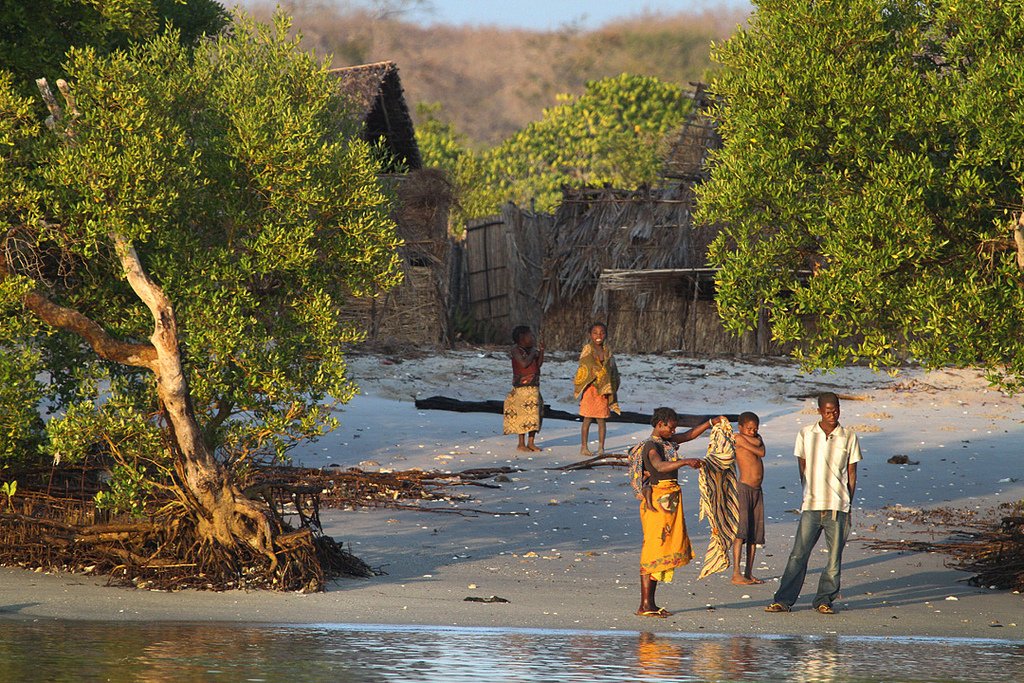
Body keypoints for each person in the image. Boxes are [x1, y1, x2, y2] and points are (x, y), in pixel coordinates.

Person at [766, 393, 862, 614]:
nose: (832, 415)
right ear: (819, 410)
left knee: (833, 558)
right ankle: (783, 600)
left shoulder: (849, 436)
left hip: (838, 507)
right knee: (798, 555)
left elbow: (852, 473)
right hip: (811, 505)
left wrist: (847, 503)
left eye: (835, 410)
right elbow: (803, 467)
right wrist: (809, 492)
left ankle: (824, 600)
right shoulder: (806, 434)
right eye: (827, 411)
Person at [636, 407, 723, 618]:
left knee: (662, 549)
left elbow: (689, 435)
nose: (673, 431)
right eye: (670, 427)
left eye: (675, 428)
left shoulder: (666, 442)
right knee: (653, 550)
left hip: (669, 501)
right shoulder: (651, 446)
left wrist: (711, 422)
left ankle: (650, 604)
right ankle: (645, 605)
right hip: (658, 502)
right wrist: (684, 462)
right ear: (659, 425)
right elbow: (659, 465)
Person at [573, 322, 620, 455]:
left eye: (602, 333)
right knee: (587, 419)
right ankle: (584, 447)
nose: (598, 335)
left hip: (603, 391)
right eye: (595, 333)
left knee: (601, 419)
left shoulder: (607, 351)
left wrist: (608, 383)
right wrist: (598, 374)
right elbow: (585, 366)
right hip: (591, 389)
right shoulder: (587, 349)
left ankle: (601, 447)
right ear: (590, 335)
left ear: (606, 335)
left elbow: (613, 370)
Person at [732, 412, 766, 585]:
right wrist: (751, 442)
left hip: (757, 490)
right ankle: (736, 573)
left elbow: (762, 451)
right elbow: (759, 451)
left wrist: (750, 441)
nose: (753, 432)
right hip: (744, 489)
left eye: (755, 429)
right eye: (749, 429)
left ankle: (749, 572)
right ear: (740, 427)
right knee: (741, 532)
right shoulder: (737, 438)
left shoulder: (752, 438)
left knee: (754, 534)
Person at [502, 325, 544, 452]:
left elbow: (539, 364)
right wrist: (533, 353)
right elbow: (524, 364)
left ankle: (531, 442)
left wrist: (541, 352)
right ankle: (521, 443)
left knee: (534, 416)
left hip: (534, 386)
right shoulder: (516, 350)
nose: (532, 338)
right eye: (530, 336)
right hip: (522, 388)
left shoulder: (532, 350)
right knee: (522, 416)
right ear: (521, 338)